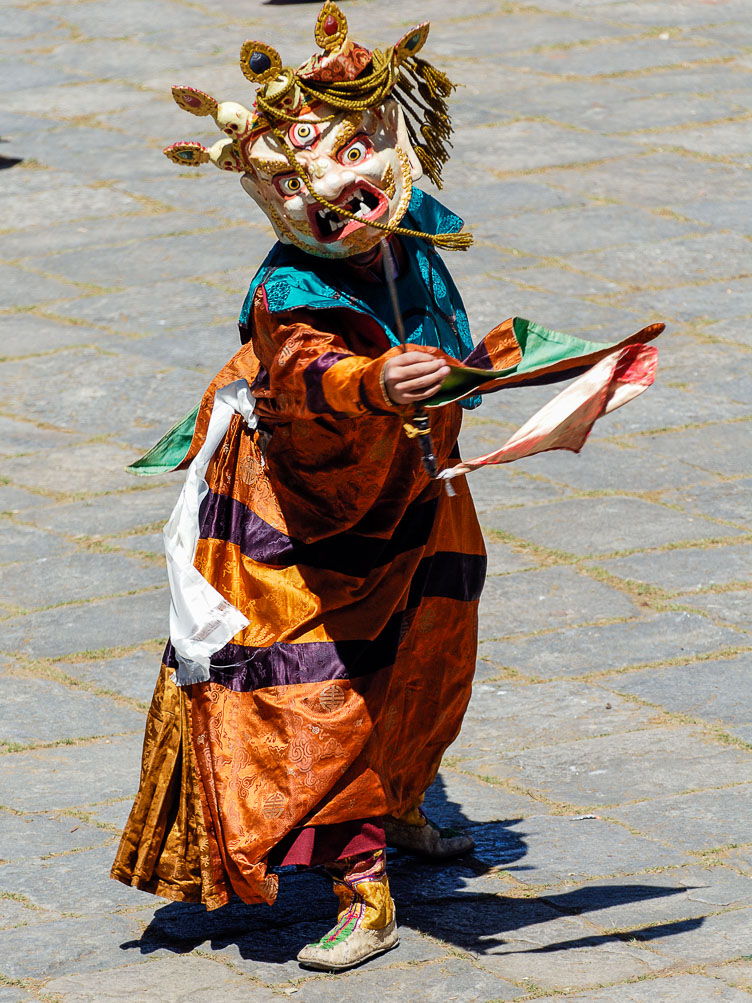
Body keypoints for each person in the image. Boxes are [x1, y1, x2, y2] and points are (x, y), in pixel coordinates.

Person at [111, 2, 660, 971]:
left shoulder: (410, 241)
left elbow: (447, 356)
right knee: (313, 701)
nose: (339, 194)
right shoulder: (289, 292)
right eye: (301, 185)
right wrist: (370, 382)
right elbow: (304, 370)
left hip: (415, 489)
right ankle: (359, 890)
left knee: (424, 661)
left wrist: (531, 374)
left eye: (354, 158)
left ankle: (397, 797)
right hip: (295, 525)